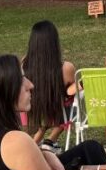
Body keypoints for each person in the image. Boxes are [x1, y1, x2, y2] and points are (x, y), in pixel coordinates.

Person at [22, 20, 77, 149]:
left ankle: (38, 141)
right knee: (73, 98)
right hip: (56, 114)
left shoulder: (24, 64)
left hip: (31, 113)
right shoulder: (66, 68)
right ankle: (51, 139)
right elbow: (72, 90)